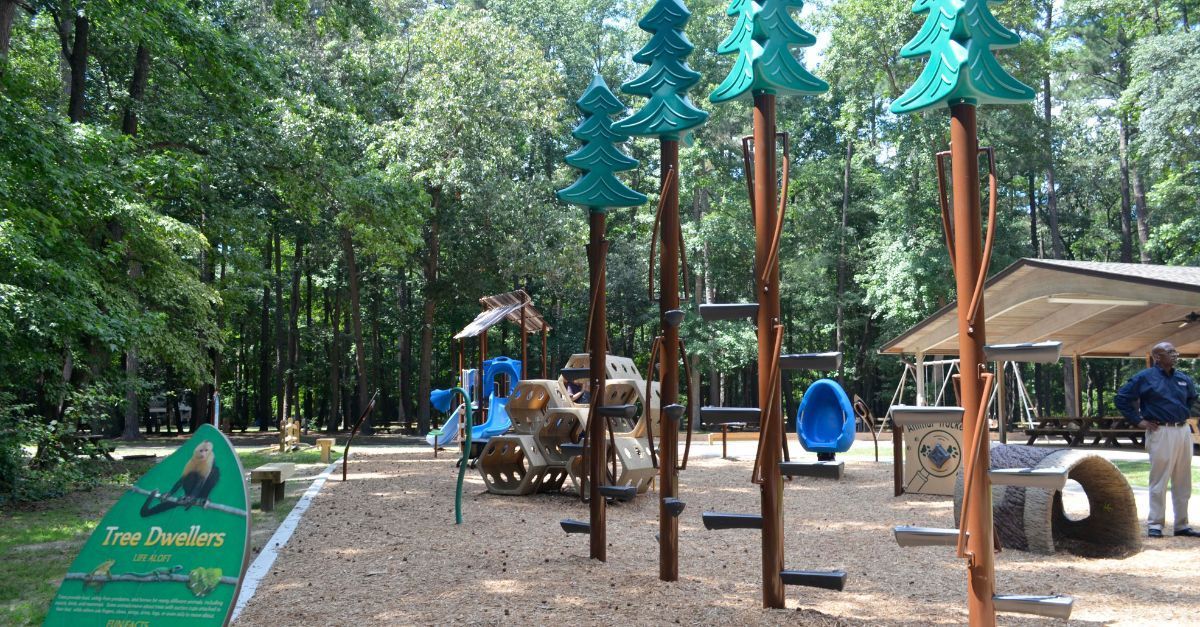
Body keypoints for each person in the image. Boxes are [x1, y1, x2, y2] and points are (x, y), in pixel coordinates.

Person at [1115, 342, 1199, 538]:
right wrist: (1138, 420)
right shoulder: (1145, 377)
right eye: (1170, 352)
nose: (1175, 354)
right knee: (1159, 479)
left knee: (1183, 479)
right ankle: (1155, 524)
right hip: (1160, 431)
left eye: (1175, 351)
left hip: (1183, 431)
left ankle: (1182, 525)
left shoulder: (1182, 378)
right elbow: (1121, 398)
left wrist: (1184, 414)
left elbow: (1192, 399)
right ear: (1157, 357)